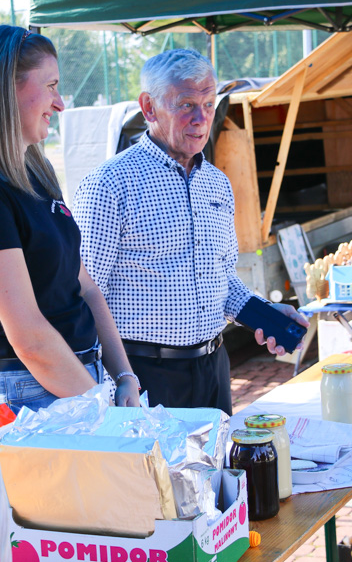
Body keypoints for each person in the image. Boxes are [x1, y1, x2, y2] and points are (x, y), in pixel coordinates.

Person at [74, 49, 308, 416]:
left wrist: (265, 313)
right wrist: (112, 381)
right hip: (144, 377)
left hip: (214, 369)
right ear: (149, 108)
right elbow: (85, 295)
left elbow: (222, 279)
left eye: (209, 104)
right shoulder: (110, 185)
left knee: (217, 474)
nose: (201, 119)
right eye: (186, 105)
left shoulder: (217, 184)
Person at [0, 25, 140, 414]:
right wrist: (102, 411)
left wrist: (124, 376)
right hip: (28, 393)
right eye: (50, 85)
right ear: (6, 88)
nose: (61, 103)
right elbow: (30, 338)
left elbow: (85, 288)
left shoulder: (35, 172)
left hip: (77, 383)